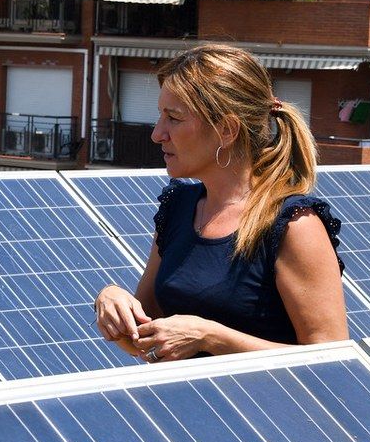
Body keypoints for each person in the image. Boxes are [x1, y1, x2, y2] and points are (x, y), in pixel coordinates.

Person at [94, 43, 347, 362]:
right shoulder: (179, 207)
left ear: (226, 130)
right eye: (160, 116)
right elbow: (148, 337)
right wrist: (111, 300)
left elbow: (333, 360)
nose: (158, 134)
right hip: (184, 407)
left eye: (173, 118)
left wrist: (212, 338)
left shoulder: (293, 225)